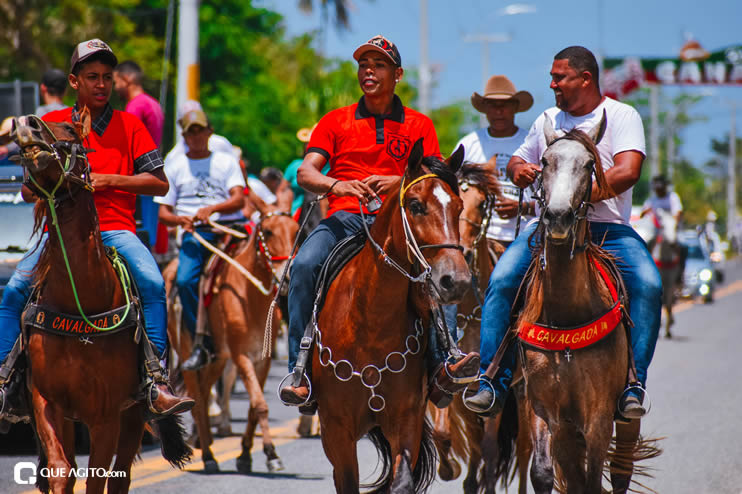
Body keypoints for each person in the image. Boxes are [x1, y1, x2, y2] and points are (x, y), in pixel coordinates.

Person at [279, 35, 479, 407]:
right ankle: (299, 369)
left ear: (398, 74)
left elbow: (433, 180)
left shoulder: (420, 124)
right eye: (363, 64)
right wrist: (337, 183)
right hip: (346, 219)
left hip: (401, 224)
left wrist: (398, 182)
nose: (368, 70)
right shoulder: (335, 121)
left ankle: (444, 361)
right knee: (305, 265)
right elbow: (307, 173)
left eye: (379, 64)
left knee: (444, 266)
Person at [464, 46, 662, 421]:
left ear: (584, 79)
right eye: (553, 77)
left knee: (649, 286)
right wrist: (518, 170)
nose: (552, 83)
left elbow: (628, 171)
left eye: (560, 77)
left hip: (608, 229)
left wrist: (576, 198)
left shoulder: (621, 115)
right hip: (546, 227)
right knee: (503, 281)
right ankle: (492, 380)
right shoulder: (547, 119)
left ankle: (633, 383)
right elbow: (521, 159)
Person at [0, 38, 194, 418]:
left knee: (153, 286)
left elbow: (160, 184)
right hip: (58, 234)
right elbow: (26, 193)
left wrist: (109, 180)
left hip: (116, 229)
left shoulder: (131, 125)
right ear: (75, 81)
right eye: (92, 77)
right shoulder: (51, 126)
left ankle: (156, 382)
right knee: (13, 292)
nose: (101, 84)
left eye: (107, 77)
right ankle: (6, 382)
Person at [156, 109, 246, 370]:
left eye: (200, 130)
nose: (196, 136)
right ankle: (202, 342)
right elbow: (164, 213)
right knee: (184, 280)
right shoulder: (173, 166)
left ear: (209, 131)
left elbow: (239, 198)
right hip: (195, 234)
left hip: (229, 229)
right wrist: (182, 221)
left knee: (271, 260)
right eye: (190, 132)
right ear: (184, 136)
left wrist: (213, 209)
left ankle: (270, 325)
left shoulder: (226, 162)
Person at [455, 75, 536, 245]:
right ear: (484, 109)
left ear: (515, 107)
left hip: (525, 235)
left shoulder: (531, 143)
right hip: (477, 238)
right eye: (492, 106)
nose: (499, 112)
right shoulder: (468, 144)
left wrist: (523, 207)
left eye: (505, 105)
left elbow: (550, 195)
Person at [113, 60, 166, 251]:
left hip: (138, 180)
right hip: (151, 176)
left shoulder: (135, 106)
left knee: (137, 240)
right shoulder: (153, 103)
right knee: (148, 240)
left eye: (116, 81)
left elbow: (127, 144)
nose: (115, 87)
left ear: (126, 79)